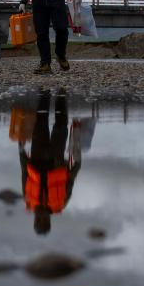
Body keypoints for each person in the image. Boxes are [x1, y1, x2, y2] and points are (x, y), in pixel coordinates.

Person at [18, 91, 82, 235]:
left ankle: (45, 92)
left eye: (38, 221)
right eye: (44, 222)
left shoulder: (29, 201)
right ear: (49, 221)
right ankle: (61, 94)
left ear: (34, 220)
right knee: (61, 124)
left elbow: (24, 173)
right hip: (56, 159)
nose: (41, 219)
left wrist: (21, 150)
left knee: (40, 121)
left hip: (37, 156)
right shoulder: (61, 204)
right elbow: (70, 179)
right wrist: (77, 162)